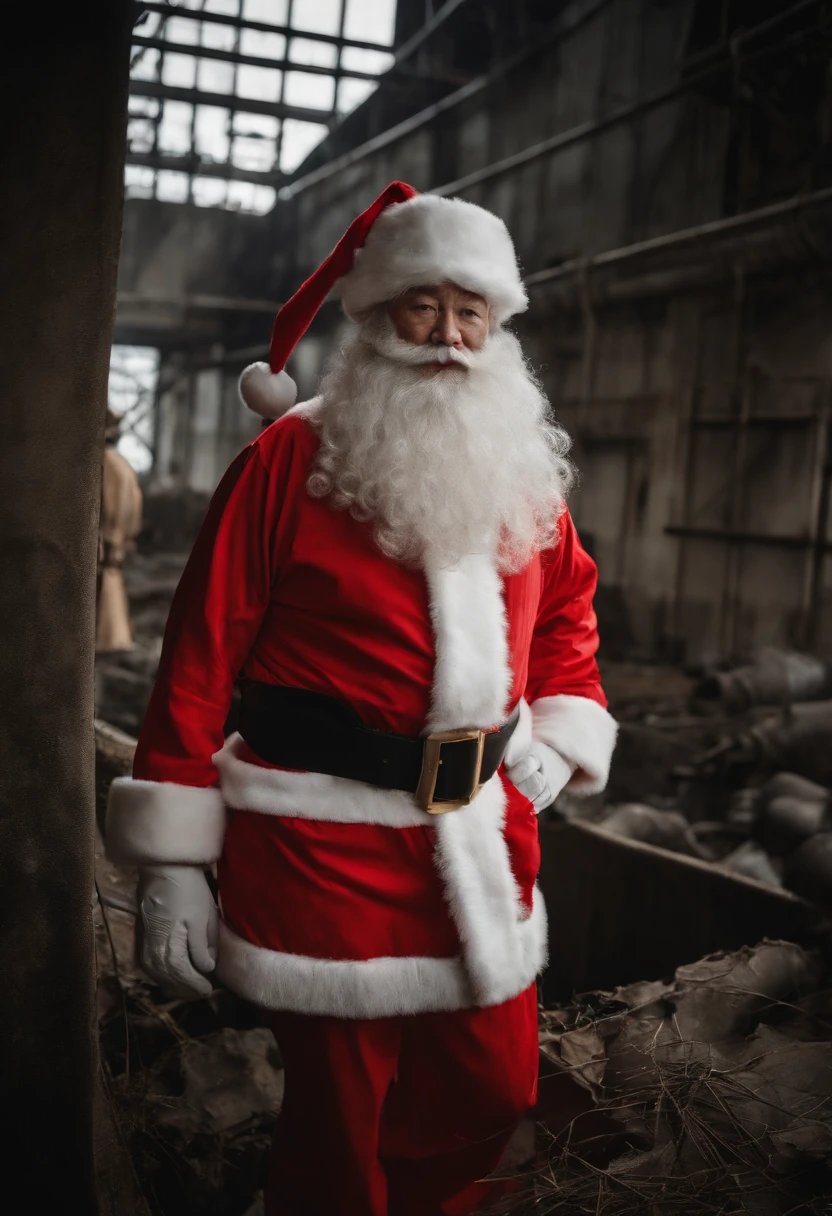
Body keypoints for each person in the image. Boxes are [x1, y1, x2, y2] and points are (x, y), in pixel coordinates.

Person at [106, 182, 617, 1215]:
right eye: (421, 306)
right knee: (337, 1124)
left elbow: (569, 609)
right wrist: (172, 861)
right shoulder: (291, 456)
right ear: (377, 313)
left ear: (498, 323)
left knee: (492, 1089)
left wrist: (561, 730)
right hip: (320, 841)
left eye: (470, 310)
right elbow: (200, 654)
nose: (447, 333)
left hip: (481, 835)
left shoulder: (522, 472)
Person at [96, 407, 142, 653]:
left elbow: (116, 515)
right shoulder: (120, 465)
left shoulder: (107, 464)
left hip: (100, 563)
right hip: (108, 561)